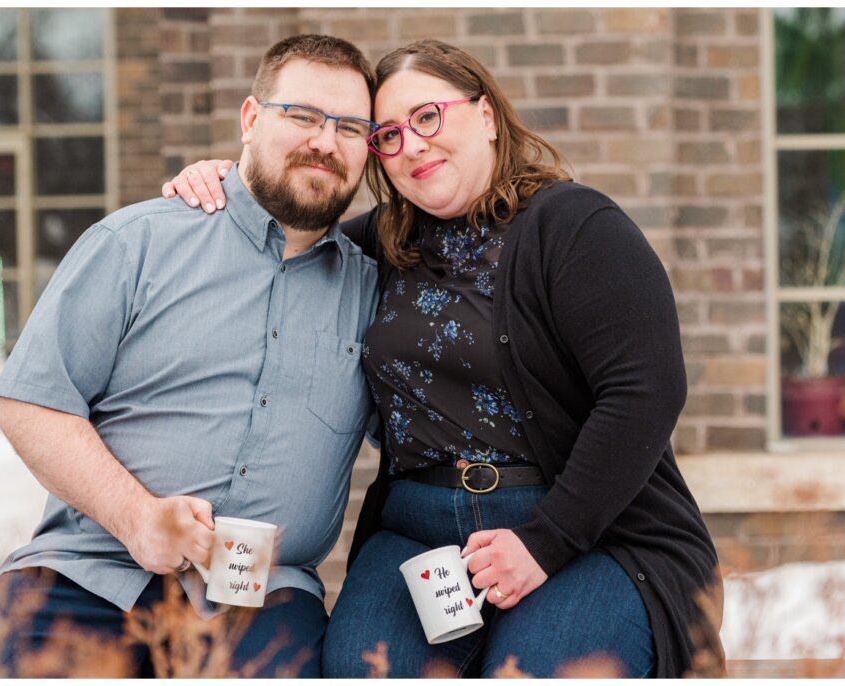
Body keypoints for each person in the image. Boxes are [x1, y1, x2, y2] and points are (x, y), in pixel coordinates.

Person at [166, 39, 725, 678]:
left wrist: (545, 542)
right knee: (364, 669)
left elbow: (647, 391)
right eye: (388, 136)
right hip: (417, 537)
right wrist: (228, 180)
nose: (414, 145)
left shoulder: (573, 227)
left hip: (588, 532)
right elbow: (281, 248)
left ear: (486, 116)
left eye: (428, 117)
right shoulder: (375, 244)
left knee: (535, 668)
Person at [0, 34, 379, 678]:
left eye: (350, 127)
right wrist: (137, 518)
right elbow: (30, 402)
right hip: (87, 575)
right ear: (251, 120)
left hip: (262, 608)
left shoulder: (376, 295)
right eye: (302, 115)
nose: (325, 142)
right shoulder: (136, 243)